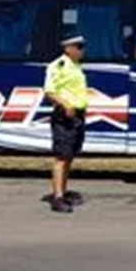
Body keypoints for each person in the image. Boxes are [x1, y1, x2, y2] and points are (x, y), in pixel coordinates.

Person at [42, 34, 89, 213]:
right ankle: (58, 198)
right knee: (61, 157)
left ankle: (63, 189)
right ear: (67, 48)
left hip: (77, 115)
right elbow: (49, 91)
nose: (82, 50)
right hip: (65, 115)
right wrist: (66, 105)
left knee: (69, 155)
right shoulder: (58, 66)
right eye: (78, 46)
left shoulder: (76, 66)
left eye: (82, 46)